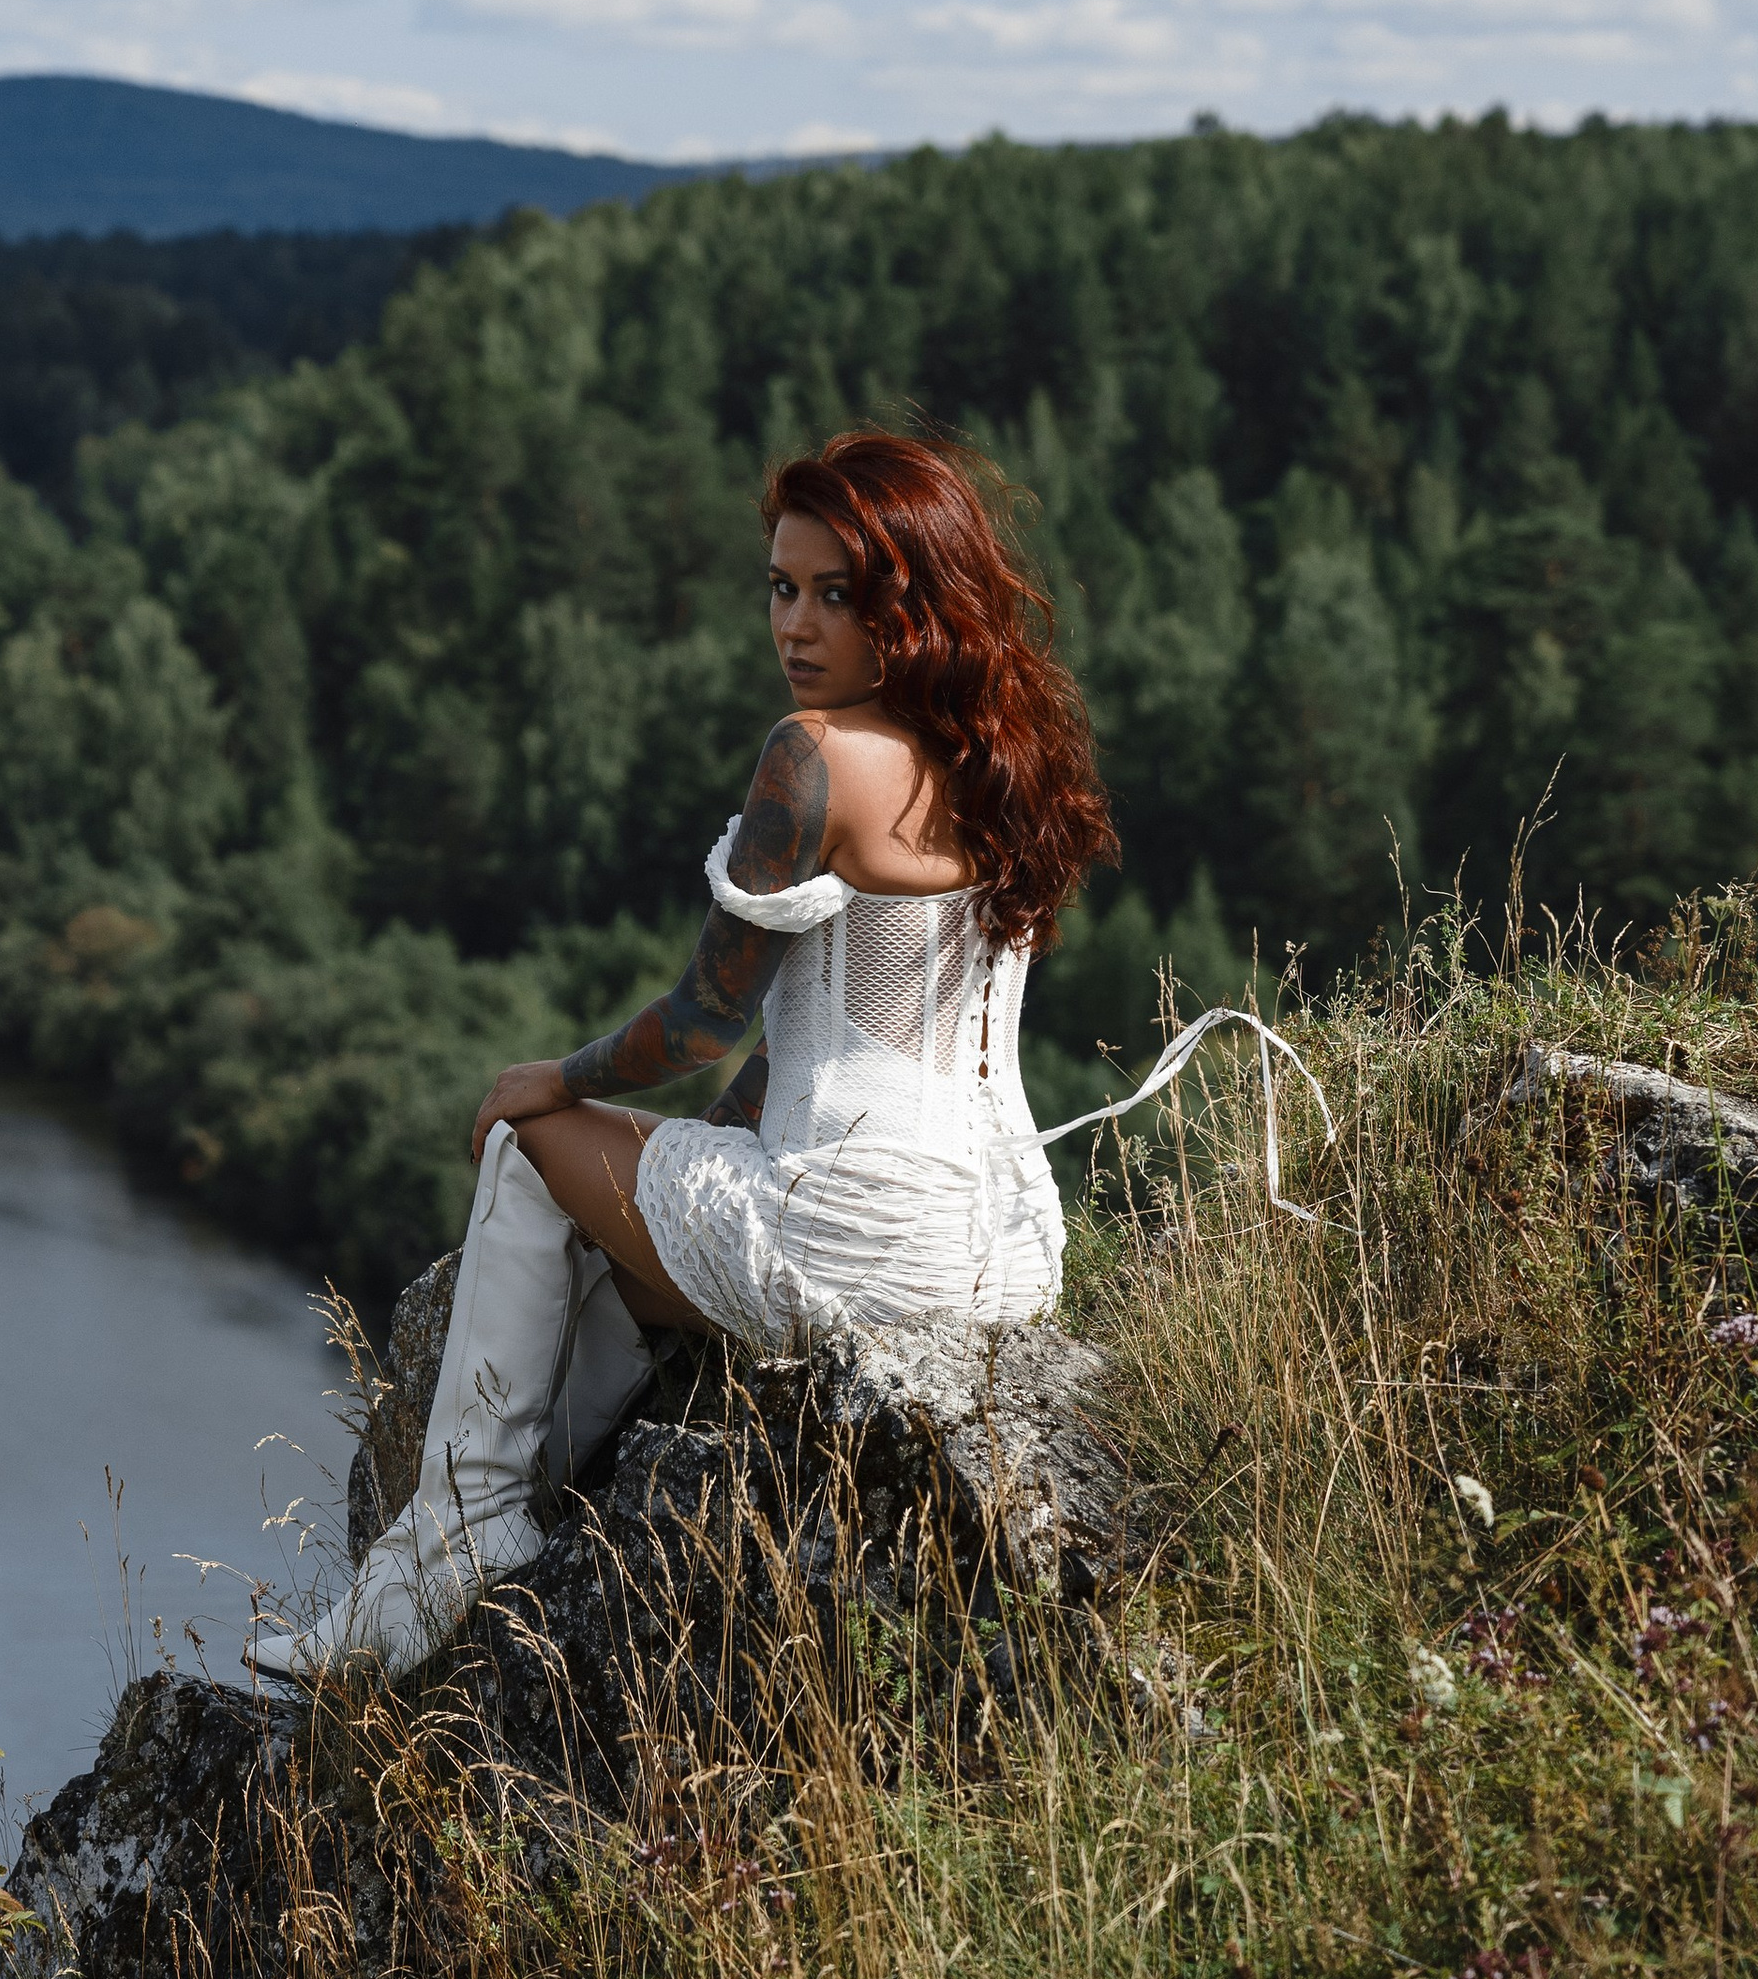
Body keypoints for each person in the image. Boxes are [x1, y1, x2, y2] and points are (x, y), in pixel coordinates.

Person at [250, 428, 1117, 1685]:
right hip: (1006, 1249)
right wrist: (707, 1140)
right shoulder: (1008, 761)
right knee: (629, 1254)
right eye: (782, 587)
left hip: (860, 1236)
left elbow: (705, 1018)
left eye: (838, 592)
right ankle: (536, 1510)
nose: (798, 625)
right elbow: (821, 1029)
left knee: (530, 1156)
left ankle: (459, 1533)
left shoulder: (812, 758)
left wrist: (551, 1081)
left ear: (912, 600)